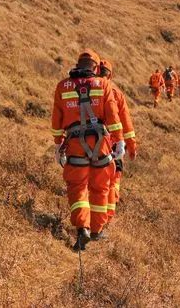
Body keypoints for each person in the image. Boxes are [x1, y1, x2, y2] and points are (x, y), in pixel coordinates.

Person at [50, 50, 124, 251]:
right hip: (101, 144)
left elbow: (57, 121)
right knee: (100, 188)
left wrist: (58, 143)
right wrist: (120, 142)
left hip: (74, 145)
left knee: (78, 188)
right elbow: (113, 117)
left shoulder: (62, 87)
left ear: (78, 63)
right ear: (95, 67)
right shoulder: (104, 85)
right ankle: (97, 230)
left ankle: (82, 228)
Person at [98, 60, 138, 225]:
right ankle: (106, 218)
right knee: (113, 181)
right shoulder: (116, 93)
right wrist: (131, 146)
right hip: (113, 146)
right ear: (110, 75)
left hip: (89, 143)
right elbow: (126, 123)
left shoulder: (86, 88)